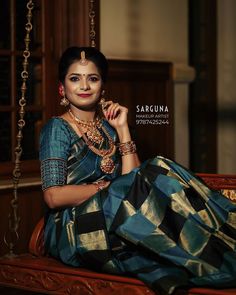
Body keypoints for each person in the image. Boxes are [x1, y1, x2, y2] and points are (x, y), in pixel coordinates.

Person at [39, 46, 236, 295]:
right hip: (73, 227)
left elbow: (131, 181)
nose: (84, 86)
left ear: (103, 87)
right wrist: (104, 188)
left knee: (158, 165)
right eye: (75, 78)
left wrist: (122, 129)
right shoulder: (57, 129)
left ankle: (223, 244)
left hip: (115, 215)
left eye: (93, 78)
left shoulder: (108, 128)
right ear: (62, 88)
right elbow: (53, 196)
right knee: (154, 170)